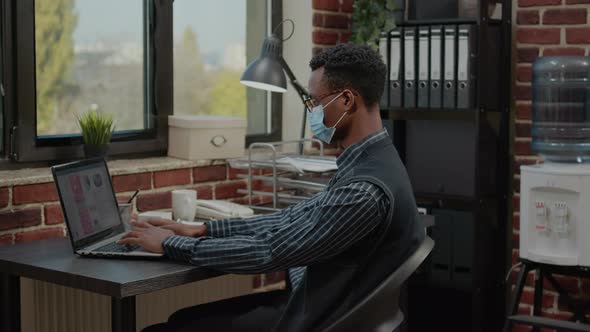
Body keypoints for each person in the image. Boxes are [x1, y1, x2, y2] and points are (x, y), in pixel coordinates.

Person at [119, 43, 424, 332]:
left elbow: (271, 251)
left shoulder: (363, 191)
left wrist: (170, 244)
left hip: (314, 318)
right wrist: (203, 230)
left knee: (169, 327)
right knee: (182, 320)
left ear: (346, 100)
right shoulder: (375, 159)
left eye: (315, 101)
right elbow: (290, 220)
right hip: (322, 305)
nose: (312, 111)